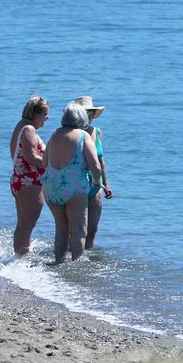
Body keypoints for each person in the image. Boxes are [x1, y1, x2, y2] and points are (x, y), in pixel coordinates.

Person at [41, 103, 102, 264]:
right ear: (81, 118)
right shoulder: (83, 136)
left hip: (51, 188)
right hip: (74, 189)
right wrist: (96, 183)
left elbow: (43, 163)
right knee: (78, 231)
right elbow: (95, 165)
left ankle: (58, 262)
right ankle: (76, 268)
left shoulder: (54, 134)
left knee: (61, 230)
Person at [9, 96, 49, 255]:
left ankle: (18, 258)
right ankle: (22, 262)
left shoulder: (21, 126)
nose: (47, 118)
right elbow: (32, 158)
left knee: (23, 224)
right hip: (29, 182)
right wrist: (54, 162)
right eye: (45, 113)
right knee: (27, 225)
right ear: (35, 114)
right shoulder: (29, 130)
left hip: (21, 179)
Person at [74, 95, 113, 250]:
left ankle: (87, 259)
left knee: (93, 228)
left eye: (90, 113)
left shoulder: (96, 132)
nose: (88, 116)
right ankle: (73, 257)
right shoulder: (72, 134)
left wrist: (107, 184)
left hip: (96, 186)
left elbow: (101, 160)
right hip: (77, 186)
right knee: (78, 229)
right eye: (85, 113)